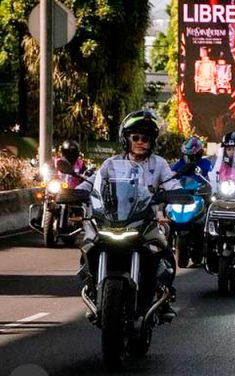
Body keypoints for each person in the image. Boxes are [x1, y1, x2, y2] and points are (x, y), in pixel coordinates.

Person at [78, 110, 182, 321]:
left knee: (164, 252)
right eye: (136, 137)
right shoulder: (110, 164)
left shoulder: (159, 164)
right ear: (126, 139)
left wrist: (177, 193)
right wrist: (74, 192)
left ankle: (164, 296)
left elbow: (172, 183)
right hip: (113, 219)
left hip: (146, 220)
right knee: (90, 244)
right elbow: (91, 183)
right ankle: (92, 288)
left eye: (146, 138)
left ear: (152, 141)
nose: (140, 142)